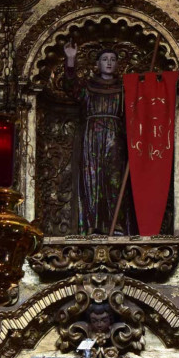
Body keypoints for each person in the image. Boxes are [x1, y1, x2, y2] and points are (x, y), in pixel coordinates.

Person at [63, 41, 135, 235]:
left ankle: (116, 225)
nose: (109, 63)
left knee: (115, 180)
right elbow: (69, 86)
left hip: (115, 138)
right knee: (92, 180)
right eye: (105, 59)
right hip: (92, 139)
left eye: (113, 59)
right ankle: (92, 224)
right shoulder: (88, 88)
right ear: (98, 64)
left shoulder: (124, 89)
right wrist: (71, 59)